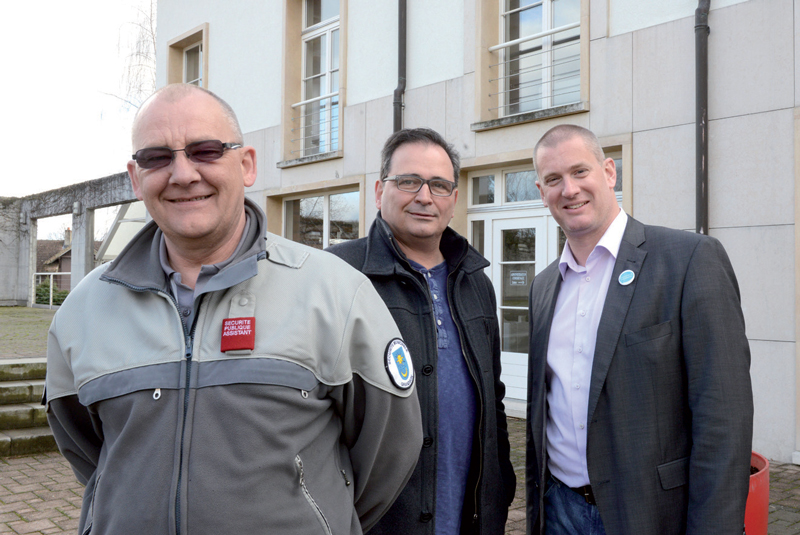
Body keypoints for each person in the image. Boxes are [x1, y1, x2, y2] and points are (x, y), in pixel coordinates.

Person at [44, 83, 423, 535]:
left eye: (205, 151)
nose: (182, 174)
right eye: (157, 157)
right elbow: (88, 450)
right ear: (135, 178)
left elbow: (388, 453)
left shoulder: (336, 293)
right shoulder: (83, 310)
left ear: (246, 165)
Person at [525, 124, 753, 535]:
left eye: (580, 171)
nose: (570, 189)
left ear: (609, 172)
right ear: (542, 193)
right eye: (554, 179)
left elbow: (723, 417)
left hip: (649, 514)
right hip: (558, 509)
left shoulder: (688, 260)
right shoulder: (543, 287)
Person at [328, 128, 516, 535]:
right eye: (409, 181)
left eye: (439, 185)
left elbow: (493, 398)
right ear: (379, 191)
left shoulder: (476, 281)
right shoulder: (336, 275)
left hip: (470, 517)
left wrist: (500, 490)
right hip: (375, 522)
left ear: (454, 198)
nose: (425, 197)